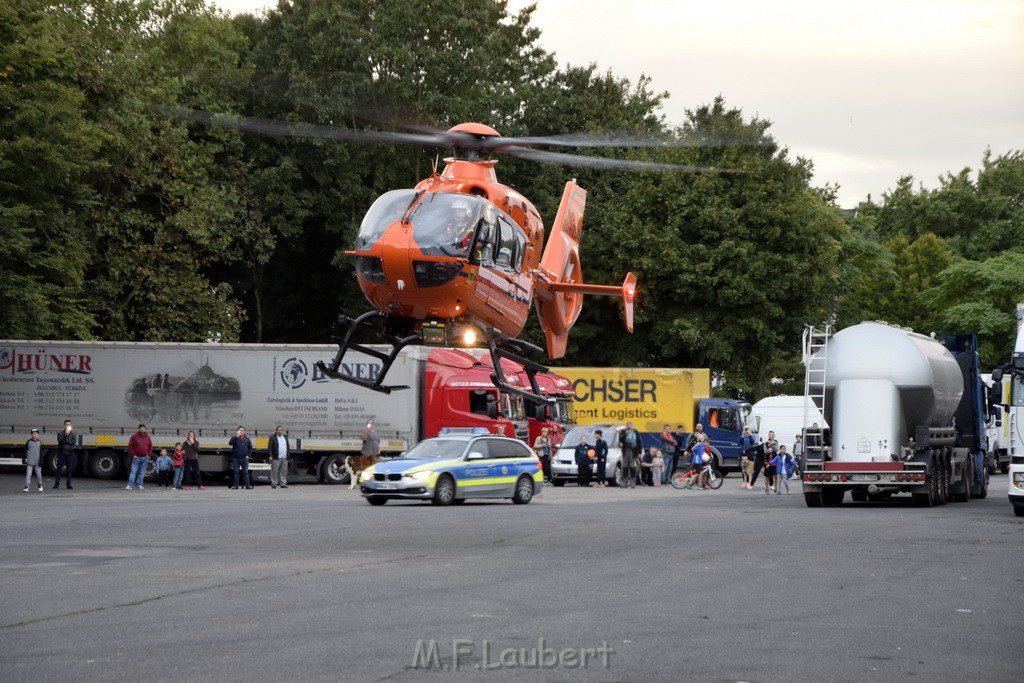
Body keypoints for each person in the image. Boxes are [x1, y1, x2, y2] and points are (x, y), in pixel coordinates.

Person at [126, 423, 152, 490]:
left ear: (145, 429)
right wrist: (133, 455)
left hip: (145, 458)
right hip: (136, 457)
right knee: (133, 471)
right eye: (141, 428)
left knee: (142, 472)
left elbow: (150, 446)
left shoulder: (148, 437)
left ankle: (140, 484)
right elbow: (130, 446)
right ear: (139, 429)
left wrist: (148, 455)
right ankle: (130, 485)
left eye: (143, 428)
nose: (142, 429)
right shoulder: (134, 436)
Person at [54, 419, 77, 489]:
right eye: (66, 424)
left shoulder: (73, 434)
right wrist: (65, 435)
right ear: (64, 425)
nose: (68, 426)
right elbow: (60, 441)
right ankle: (56, 483)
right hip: (61, 453)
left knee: (69, 469)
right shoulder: (60, 433)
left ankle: (68, 484)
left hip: (69, 453)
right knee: (59, 469)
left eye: (69, 424)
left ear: (71, 425)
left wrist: (66, 442)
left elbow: (73, 442)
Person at [619, 422, 642, 489]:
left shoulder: (636, 432)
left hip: (633, 452)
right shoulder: (623, 432)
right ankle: (625, 482)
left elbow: (639, 442)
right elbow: (621, 440)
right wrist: (625, 434)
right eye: (628, 425)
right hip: (626, 451)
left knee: (633, 467)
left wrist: (639, 452)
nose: (629, 426)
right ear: (626, 426)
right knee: (625, 467)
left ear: (632, 426)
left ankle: (633, 482)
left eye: (630, 425)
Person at [269, 425, 290, 489]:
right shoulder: (273, 437)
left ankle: (283, 483)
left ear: (282, 431)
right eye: (278, 430)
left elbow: (287, 447)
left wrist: (288, 455)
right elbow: (270, 447)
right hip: (276, 457)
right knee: (274, 471)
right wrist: (270, 455)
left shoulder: (285, 437)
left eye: (280, 430)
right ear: (276, 430)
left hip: (284, 457)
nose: (279, 431)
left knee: (284, 471)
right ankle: (274, 483)